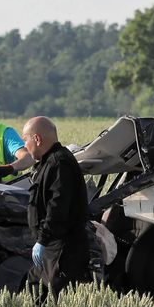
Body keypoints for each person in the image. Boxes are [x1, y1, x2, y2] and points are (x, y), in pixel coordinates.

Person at [23, 116, 89, 294]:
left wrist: (43, 240)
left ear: (37, 139)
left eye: (25, 140)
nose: (25, 146)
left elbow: (57, 206)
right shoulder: (47, 163)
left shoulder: (59, 163)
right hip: (51, 247)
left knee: (52, 296)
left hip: (63, 248)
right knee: (35, 286)